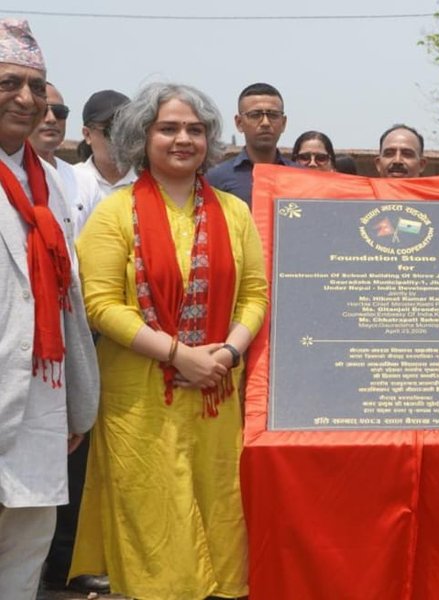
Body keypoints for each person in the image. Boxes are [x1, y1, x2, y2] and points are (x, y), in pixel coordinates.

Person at [69, 82, 268, 600]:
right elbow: (101, 304)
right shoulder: (114, 213)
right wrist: (180, 355)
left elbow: (256, 294)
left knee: (220, 511)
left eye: (195, 130)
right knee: (153, 522)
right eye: (169, 128)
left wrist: (225, 353)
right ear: (142, 137)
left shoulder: (234, 211)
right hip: (140, 402)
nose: (184, 139)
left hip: (216, 397)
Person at [0, 19, 99, 600]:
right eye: (10, 82)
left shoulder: (48, 184)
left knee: (26, 547)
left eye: (37, 86)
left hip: (38, 398)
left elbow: (69, 301)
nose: (27, 98)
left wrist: (78, 403)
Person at [28, 82, 102, 235]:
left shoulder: (85, 182)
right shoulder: (7, 178)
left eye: (59, 112)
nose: (51, 119)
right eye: (41, 110)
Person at [206, 82, 296, 206]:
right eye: (255, 115)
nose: (265, 122)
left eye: (273, 115)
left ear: (284, 123)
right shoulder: (216, 178)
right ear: (239, 123)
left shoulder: (301, 176)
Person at [74, 89, 137, 198]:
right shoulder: (71, 181)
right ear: (87, 135)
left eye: (126, 128)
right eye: (111, 129)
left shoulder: (151, 183)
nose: (120, 137)